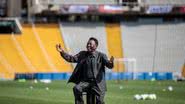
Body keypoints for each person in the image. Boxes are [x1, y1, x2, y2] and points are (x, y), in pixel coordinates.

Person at [56, 37, 114, 104]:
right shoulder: (82, 54)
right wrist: (62, 52)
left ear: (96, 46)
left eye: (90, 44)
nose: (88, 45)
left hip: (98, 84)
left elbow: (109, 65)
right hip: (85, 82)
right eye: (87, 43)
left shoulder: (101, 56)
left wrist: (111, 63)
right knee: (76, 88)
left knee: (100, 101)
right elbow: (71, 58)